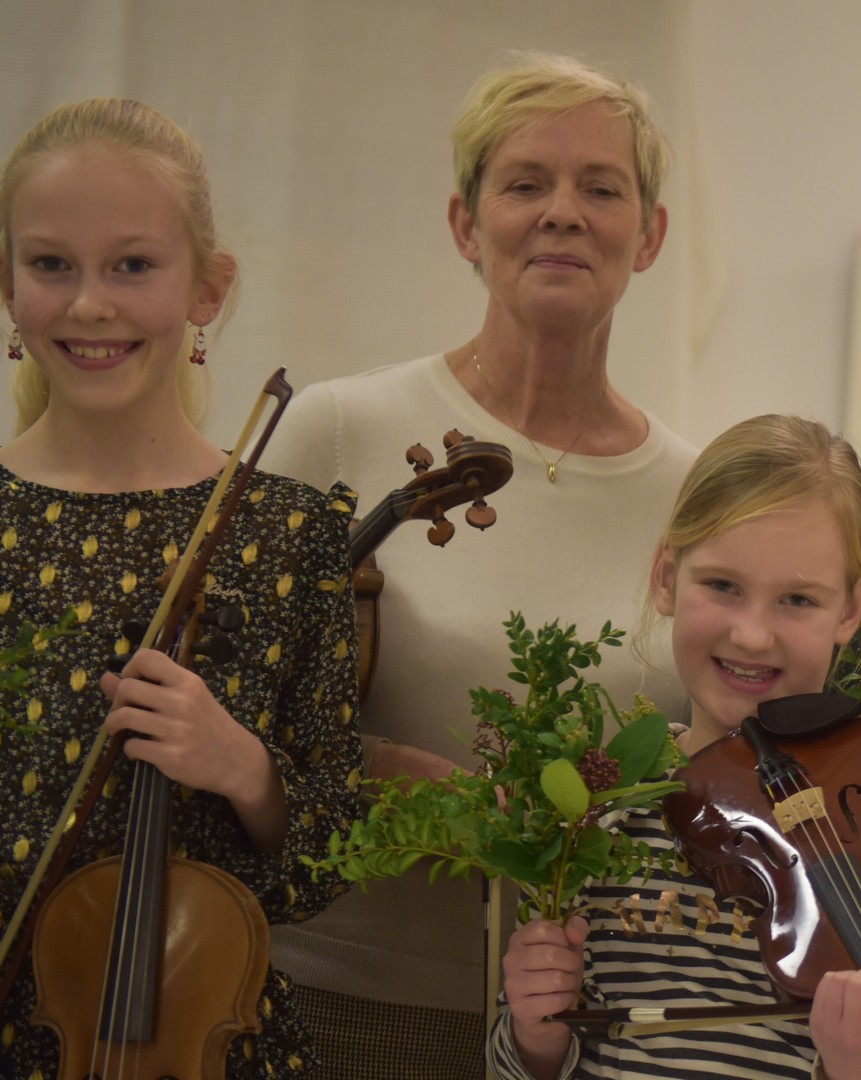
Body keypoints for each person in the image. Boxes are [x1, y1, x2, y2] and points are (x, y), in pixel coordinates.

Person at [260, 54, 698, 1076]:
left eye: (602, 188)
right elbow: (239, 703)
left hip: (593, 1026)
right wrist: (387, 770)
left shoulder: (698, 491)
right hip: (339, 1000)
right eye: (524, 183)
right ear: (466, 223)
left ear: (651, 235)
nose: (564, 213)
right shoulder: (336, 429)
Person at [0, 97, 359, 1076]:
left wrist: (244, 766)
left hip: (203, 1044)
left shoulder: (288, 534)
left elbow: (328, 855)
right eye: (50, 264)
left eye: (132, 264)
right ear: (7, 283)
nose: (89, 304)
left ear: (208, 288)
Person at [491, 413, 861, 1080]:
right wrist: (534, 1033)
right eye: (723, 586)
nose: (752, 635)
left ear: (851, 606)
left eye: (798, 600)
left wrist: (860, 1071)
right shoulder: (596, 806)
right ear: (667, 576)